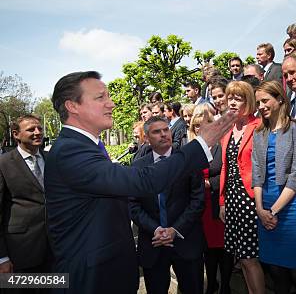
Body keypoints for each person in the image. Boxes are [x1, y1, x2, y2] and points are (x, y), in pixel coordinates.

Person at [45, 71, 234, 293]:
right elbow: (143, 181)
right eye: (100, 97)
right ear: (72, 106)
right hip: (91, 279)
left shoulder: (85, 147)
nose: (112, 104)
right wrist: (202, 144)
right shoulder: (70, 151)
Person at [128, 116, 205, 294]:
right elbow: (133, 204)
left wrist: (174, 230)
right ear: (146, 138)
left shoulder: (188, 159)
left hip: (186, 242)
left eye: (166, 130)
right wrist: (156, 229)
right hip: (153, 243)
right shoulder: (138, 166)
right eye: (156, 131)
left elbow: (198, 200)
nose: (163, 134)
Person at [252, 81, 296, 294]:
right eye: (258, 102)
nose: (261, 106)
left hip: (291, 208)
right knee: (276, 273)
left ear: (280, 99)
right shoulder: (259, 133)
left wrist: (273, 212)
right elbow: (257, 172)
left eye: (265, 100)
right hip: (264, 207)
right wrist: (260, 209)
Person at [218, 81, 265, 294]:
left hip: (250, 199)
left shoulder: (260, 126)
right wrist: (222, 202)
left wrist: (260, 202)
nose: (232, 102)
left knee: (249, 258)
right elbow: (225, 168)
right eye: (230, 98)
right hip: (232, 199)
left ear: (249, 101)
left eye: (238, 98)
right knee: (241, 257)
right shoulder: (228, 130)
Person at [0, 115, 53, 285]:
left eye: (39, 128)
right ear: (16, 134)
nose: (38, 132)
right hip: (20, 252)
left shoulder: (52, 159)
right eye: (31, 129)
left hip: (54, 250)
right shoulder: (3, 164)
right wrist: (2, 258)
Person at [189, 110, 234, 294]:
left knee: (223, 248)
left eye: (204, 124)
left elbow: (229, 172)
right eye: (196, 125)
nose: (200, 128)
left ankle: (225, 286)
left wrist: (208, 183)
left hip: (219, 202)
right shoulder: (192, 148)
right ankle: (211, 285)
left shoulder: (221, 144)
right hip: (201, 206)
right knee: (207, 248)